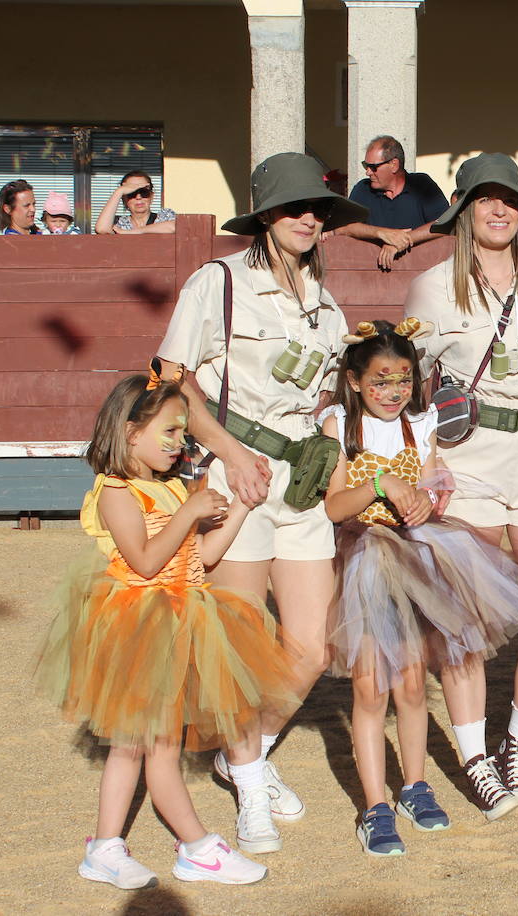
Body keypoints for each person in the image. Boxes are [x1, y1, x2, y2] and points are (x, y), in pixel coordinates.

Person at [155, 152, 369, 854]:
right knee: (241, 645)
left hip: (302, 481)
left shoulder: (326, 302)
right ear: (266, 217)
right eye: (294, 208)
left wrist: (336, 443)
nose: (309, 218)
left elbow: (327, 396)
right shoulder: (216, 282)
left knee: (309, 645)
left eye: (319, 210)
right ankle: (250, 790)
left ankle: (245, 753)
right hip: (234, 476)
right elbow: (172, 378)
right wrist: (233, 452)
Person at [34, 368, 300, 889]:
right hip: (139, 627)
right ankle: (197, 847)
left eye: (183, 433)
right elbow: (146, 560)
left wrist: (242, 506)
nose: (181, 445)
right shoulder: (117, 493)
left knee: (138, 744)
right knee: (152, 746)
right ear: (130, 432)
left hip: (181, 621)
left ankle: (106, 848)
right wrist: (192, 510)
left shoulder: (172, 489)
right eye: (171, 433)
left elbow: (200, 557)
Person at [319, 319, 518, 855]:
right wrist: (381, 483)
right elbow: (334, 505)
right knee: (371, 689)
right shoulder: (340, 429)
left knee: (413, 683)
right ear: (353, 381)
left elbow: (435, 479)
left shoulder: (422, 420)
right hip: (367, 557)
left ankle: (415, 784)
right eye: (380, 382)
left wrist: (430, 494)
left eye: (402, 380)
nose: (393, 393)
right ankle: (375, 805)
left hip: (421, 555)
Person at [404, 152, 518, 811]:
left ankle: (517, 744)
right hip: (467, 462)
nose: (498, 210)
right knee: (465, 623)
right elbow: (403, 386)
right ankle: (475, 757)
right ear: (464, 212)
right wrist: (423, 464)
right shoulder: (431, 286)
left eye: (509, 199)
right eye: (484, 199)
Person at [334, 135, 447, 270]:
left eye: (373, 167)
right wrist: (382, 233)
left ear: (394, 165)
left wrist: (401, 240)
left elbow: (446, 222)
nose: (367, 172)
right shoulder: (363, 189)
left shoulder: (421, 185)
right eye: (366, 165)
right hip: (371, 278)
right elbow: (342, 227)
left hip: (419, 274)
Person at [96, 170, 176, 235]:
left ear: (152, 196)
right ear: (124, 199)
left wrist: (131, 232)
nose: (138, 197)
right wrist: (119, 191)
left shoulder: (164, 216)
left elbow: (174, 227)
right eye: (132, 193)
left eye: (144, 192)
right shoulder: (119, 222)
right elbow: (102, 229)